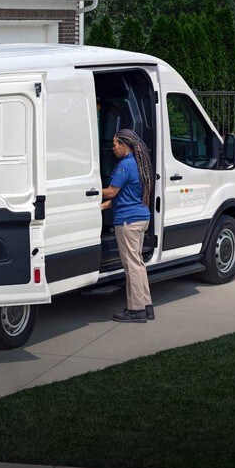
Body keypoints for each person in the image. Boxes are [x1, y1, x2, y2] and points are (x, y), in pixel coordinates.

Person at [101, 129, 156, 324]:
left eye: (116, 144)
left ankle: (136, 310)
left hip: (127, 221)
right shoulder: (139, 164)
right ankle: (146, 306)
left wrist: (87, 192)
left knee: (131, 265)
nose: (113, 147)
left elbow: (111, 192)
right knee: (138, 263)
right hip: (141, 218)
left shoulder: (124, 166)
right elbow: (124, 196)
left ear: (125, 145)